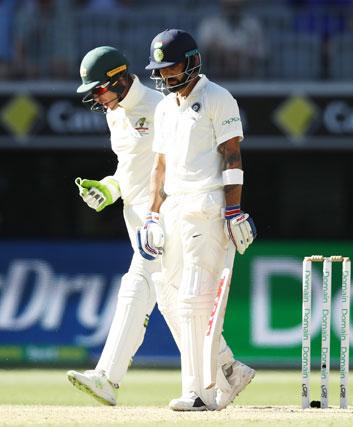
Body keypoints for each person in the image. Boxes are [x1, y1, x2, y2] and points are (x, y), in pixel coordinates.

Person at [139, 28, 257, 411]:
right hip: (173, 208)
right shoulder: (163, 106)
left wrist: (233, 209)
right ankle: (228, 370)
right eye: (160, 70)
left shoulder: (218, 98)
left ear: (191, 63)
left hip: (207, 207)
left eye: (171, 68)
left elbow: (233, 157)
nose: (165, 77)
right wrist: (152, 215)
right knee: (170, 299)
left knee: (194, 301)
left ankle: (201, 393)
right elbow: (160, 165)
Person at [66, 45, 179, 405]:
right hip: (137, 221)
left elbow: (179, 165)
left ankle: (106, 377)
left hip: (163, 218)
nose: (98, 100)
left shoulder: (160, 108)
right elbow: (127, 172)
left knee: (137, 286)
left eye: (99, 89)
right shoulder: (114, 115)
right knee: (173, 301)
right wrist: (107, 190)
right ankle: (227, 369)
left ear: (120, 78)